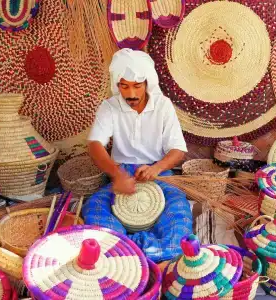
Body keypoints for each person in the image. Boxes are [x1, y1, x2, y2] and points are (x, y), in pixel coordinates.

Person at [81, 48, 193, 263]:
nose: (130, 93)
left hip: (159, 174)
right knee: (95, 208)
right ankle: (133, 251)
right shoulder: (109, 107)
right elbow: (95, 144)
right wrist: (117, 174)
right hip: (121, 173)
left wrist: (157, 168)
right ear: (117, 85)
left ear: (147, 84)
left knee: (179, 214)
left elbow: (178, 149)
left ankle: (128, 254)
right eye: (124, 86)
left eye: (136, 86)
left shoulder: (163, 106)